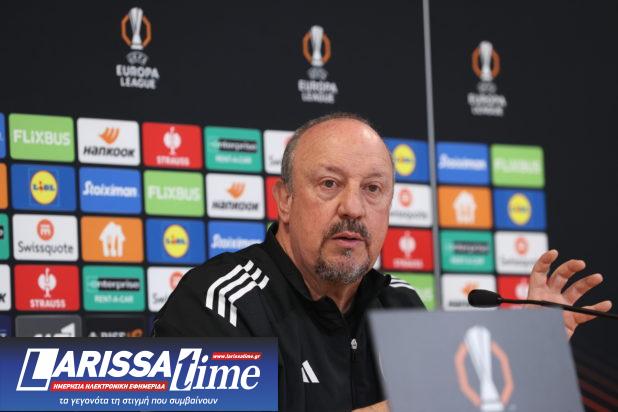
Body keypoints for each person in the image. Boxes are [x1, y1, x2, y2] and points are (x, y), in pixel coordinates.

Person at [154, 112, 612, 411]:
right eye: (330, 184)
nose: (354, 208)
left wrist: (520, 352)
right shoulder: (220, 303)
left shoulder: (401, 305)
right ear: (286, 200)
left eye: (373, 189)